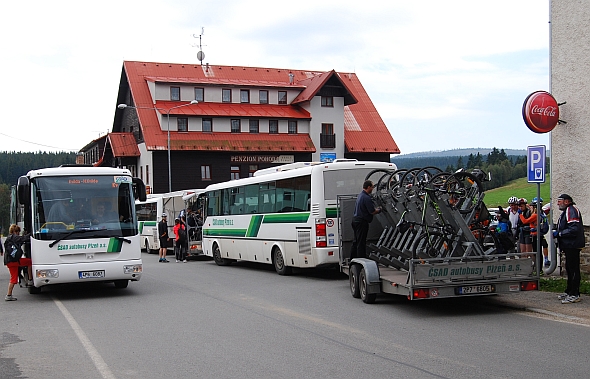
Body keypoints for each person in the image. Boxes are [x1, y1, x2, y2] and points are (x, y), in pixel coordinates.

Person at [554, 194, 584, 304]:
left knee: (573, 269)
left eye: (559, 201)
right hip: (568, 245)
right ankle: (569, 291)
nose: (558, 203)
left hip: (573, 244)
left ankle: (575, 294)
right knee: (569, 268)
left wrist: (560, 233)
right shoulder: (567, 211)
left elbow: (574, 229)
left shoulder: (572, 210)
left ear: (567, 201)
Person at [349, 180, 381, 260]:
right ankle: (361, 259)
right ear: (368, 187)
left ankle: (352, 257)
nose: (373, 189)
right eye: (372, 187)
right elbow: (372, 211)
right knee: (361, 242)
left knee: (356, 240)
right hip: (361, 222)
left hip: (355, 220)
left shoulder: (360, 195)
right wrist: (379, 210)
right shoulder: (366, 198)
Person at [2, 224, 33, 301]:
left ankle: (8, 295)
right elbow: (23, 239)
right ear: (15, 231)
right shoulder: (13, 237)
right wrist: (33, 233)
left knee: (13, 278)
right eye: (18, 231)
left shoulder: (9, 238)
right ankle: (30, 280)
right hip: (14, 261)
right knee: (29, 262)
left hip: (9, 261)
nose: (18, 233)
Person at [530, 197, 550, 268]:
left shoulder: (538, 214)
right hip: (540, 234)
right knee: (540, 248)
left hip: (537, 234)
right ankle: (542, 263)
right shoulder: (541, 213)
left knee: (537, 251)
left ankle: (540, 266)